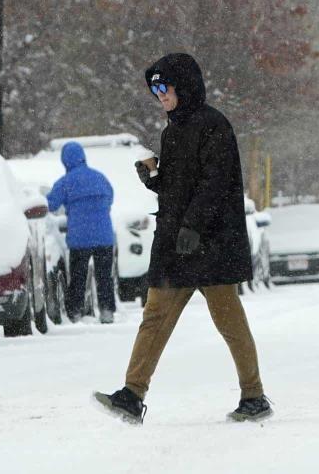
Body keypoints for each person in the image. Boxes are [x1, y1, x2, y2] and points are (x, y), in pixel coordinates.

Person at [95, 53, 271, 423]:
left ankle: (254, 396)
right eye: (154, 88)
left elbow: (214, 184)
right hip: (178, 243)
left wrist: (193, 226)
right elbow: (179, 187)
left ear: (185, 86)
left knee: (228, 319)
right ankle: (132, 394)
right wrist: (155, 179)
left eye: (165, 86)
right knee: (155, 314)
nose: (159, 94)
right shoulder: (172, 130)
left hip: (211, 243)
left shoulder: (214, 126)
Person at [47, 141, 116, 324]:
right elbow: (110, 197)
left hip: (80, 238)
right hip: (104, 236)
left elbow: (51, 204)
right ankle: (107, 311)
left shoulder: (65, 182)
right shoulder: (99, 177)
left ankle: (75, 312)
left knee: (78, 276)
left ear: (65, 161)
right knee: (104, 276)